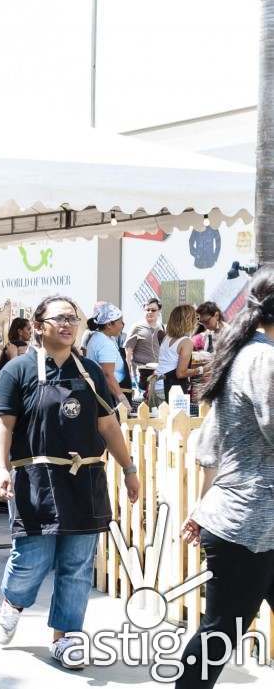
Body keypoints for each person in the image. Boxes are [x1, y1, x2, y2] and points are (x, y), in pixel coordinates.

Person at [0, 294, 139, 669]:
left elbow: (108, 425)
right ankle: (12, 601)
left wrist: (129, 468)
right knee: (32, 560)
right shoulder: (17, 372)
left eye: (73, 318)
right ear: (39, 326)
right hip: (35, 479)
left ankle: (66, 636)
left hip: (84, 478)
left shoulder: (88, 372)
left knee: (77, 563)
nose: (68, 324)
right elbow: (1, 425)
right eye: (59, 318)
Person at [177, 269, 274, 689]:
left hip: (243, 520)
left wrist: (203, 507)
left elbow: (209, 447)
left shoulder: (241, 354)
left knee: (218, 631)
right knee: (218, 634)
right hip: (251, 527)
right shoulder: (264, 359)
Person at [85, 302, 132, 409]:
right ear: (109, 324)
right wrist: (122, 400)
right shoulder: (104, 343)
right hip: (108, 397)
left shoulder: (105, 338)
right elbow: (107, 375)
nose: (122, 325)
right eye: (120, 322)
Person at [157, 305, 203, 401]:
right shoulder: (186, 342)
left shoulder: (167, 337)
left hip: (158, 385)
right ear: (188, 321)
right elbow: (181, 373)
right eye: (195, 318)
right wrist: (200, 370)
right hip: (171, 390)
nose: (196, 321)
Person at [124, 298, 164, 397]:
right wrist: (128, 375)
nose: (150, 312)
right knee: (143, 401)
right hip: (141, 373)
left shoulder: (161, 327)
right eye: (147, 310)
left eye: (153, 310)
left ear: (159, 311)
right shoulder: (137, 327)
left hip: (157, 372)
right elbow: (128, 353)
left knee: (157, 402)